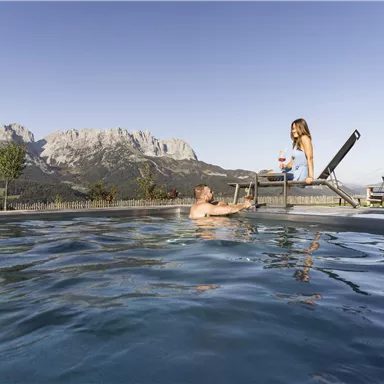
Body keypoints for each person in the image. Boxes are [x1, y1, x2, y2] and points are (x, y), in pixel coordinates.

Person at [269, 118, 314, 185]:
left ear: (301, 128)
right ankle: (285, 188)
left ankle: (287, 187)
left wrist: (311, 176)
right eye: (292, 129)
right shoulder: (296, 143)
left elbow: (310, 158)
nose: (293, 131)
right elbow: (291, 163)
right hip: (292, 170)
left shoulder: (305, 138)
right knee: (269, 173)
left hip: (299, 173)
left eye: (295, 128)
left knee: (272, 175)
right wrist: (285, 166)